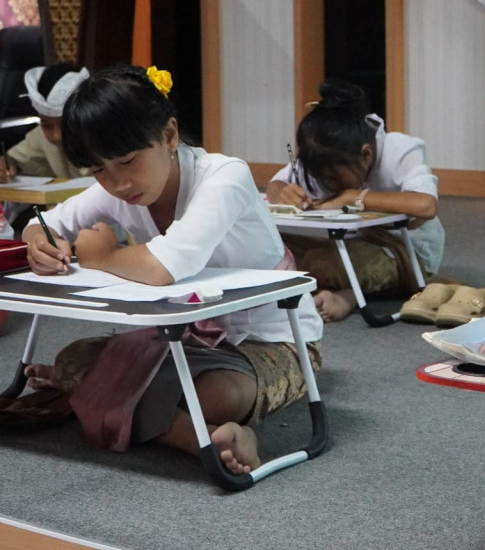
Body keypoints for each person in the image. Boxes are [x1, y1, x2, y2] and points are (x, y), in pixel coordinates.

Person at [22, 64, 323, 474]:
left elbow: (163, 267)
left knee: (207, 395)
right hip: (183, 338)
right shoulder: (118, 187)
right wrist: (39, 242)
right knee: (73, 357)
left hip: (273, 339)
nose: (118, 184)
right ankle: (199, 437)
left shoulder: (224, 176)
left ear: (169, 135)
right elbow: (43, 222)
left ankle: (108, 402)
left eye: (128, 161)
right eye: (98, 169)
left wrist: (100, 256)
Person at [266, 79, 444, 322]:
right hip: (346, 246)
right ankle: (330, 291)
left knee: (322, 264)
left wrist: (354, 197)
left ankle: (346, 296)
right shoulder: (324, 157)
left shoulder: (400, 149)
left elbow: (426, 205)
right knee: (267, 246)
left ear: (366, 155)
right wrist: (283, 194)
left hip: (404, 250)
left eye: (332, 178)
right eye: (318, 176)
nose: (325, 184)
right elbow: (276, 185)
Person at [0, 63, 93, 234]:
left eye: (65, 124)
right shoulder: (41, 137)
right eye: (46, 124)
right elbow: (14, 159)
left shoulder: (108, 135)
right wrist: (6, 165)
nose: (56, 136)